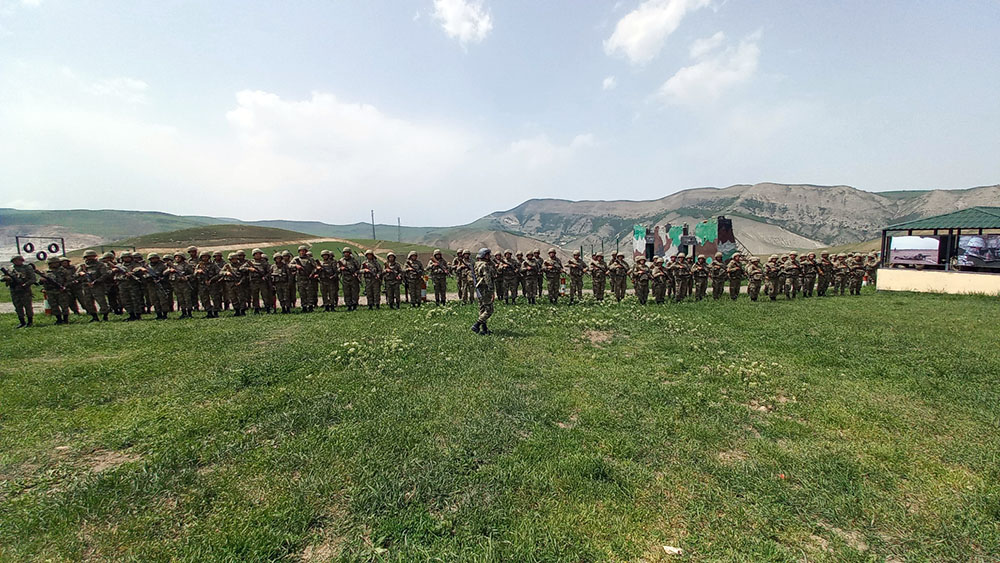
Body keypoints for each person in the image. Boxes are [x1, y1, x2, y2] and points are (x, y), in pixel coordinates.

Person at [3, 255, 37, 327]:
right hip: (14, 290)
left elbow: (33, 279)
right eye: (14, 260)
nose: (16, 262)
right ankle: (22, 322)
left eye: (18, 260)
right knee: (18, 307)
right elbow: (2, 277)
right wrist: (6, 278)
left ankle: (30, 321)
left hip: (25, 290)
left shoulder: (27, 268)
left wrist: (26, 284)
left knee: (28, 307)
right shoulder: (10, 269)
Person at [79, 249, 112, 321]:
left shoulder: (100, 265)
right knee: (88, 302)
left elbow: (105, 274)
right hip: (87, 286)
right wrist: (81, 274)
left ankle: (105, 316)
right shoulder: (82, 266)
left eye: (92, 256)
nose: (90, 258)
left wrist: (96, 281)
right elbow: (75, 275)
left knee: (101, 301)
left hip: (98, 286)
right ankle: (94, 317)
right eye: (88, 257)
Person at [471, 248, 496, 335]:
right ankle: (476, 325)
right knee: (489, 310)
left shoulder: (477, 263)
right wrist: (491, 290)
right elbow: (487, 278)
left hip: (480, 288)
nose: (489, 256)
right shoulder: (484, 265)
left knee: (482, 309)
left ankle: (484, 329)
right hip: (485, 288)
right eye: (488, 255)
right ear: (484, 255)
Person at [42, 257, 74, 324]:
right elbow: (41, 282)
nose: (54, 264)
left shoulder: (63, 271)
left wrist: (65, 287)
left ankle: (65, 319)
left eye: (56, 263)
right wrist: (42, 280)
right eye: (52, 263)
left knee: (64, 306)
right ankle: (58, 319)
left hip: (61, 291)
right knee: (54, 306)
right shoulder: (45, 272)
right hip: (50, 291)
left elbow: (69, 280)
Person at [144, 253, 172, 319]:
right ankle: (158, 314)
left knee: (163, 300)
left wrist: (161, 279)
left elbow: (166, 274)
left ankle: (165, 314)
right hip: (152, 285)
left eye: (155, 258)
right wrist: (148, 277)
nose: (154, 260)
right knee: (154, 300)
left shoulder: (162, 266)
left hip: (161, 285)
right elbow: (145, 274)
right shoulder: (147, 266)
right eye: (152, 258)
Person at [169, 251, 196, 318]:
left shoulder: (186, 265)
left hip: (185, 284)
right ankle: (183, 312)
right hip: (176, 284)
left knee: (187, 299)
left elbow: (193, 274)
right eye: (176, 257)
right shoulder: (173, 265)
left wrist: (187, 277)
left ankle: (189, 313)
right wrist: (169, 270)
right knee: (180, 299)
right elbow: (164, 273)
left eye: (179, 257)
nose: (177, 258)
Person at [290, 245, 318, 312]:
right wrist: (296, 265)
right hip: (300, 279)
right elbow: (289, 265)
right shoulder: (296, 259)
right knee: (302, 293)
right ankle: (304, 307)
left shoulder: (310, 259)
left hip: (308, 278)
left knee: (310, 293)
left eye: (303, 251)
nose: (302, 252)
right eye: (301, 251)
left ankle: (310, 306)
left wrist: (312, 274)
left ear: (306, 251)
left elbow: (315, 267)